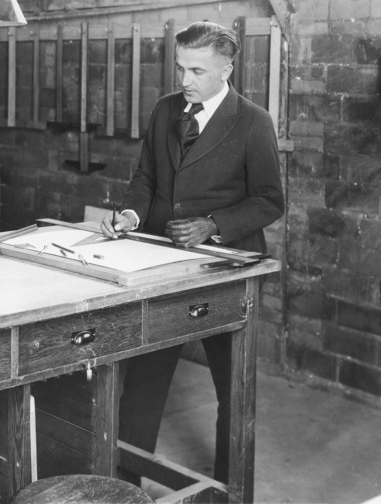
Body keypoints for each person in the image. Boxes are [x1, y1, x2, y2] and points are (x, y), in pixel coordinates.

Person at [100, 21, 285, 485]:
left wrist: (213, 226)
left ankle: (230, 487)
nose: (185, 81)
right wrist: (129, 215)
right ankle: (126, 488)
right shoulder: (166, 111)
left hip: (227, 270)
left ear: (227, 67)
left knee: (233, 388)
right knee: (143, 383)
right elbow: (145, 177)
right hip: (164, 265)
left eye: (197, 71)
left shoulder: (253, 121)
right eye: (180, 67)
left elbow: (269, 200)